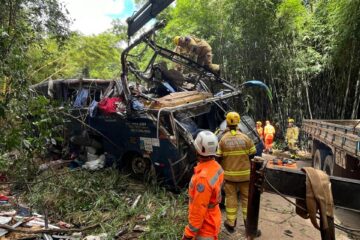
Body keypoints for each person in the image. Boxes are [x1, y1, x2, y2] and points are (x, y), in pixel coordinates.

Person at [217, 112, 258, 234]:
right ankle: (248, 225)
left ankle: (230, 224)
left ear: (227, 124)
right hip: (245, 176)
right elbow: (253, 155)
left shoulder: (223, 140)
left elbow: (218, 158)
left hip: (229, 177)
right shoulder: (246, 138)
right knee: (246, 200)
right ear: (238, 122)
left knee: (230, 199)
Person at [182, 130, 224, 240]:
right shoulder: (216, 167)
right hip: (214, 217)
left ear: (197, 150)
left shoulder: (202, 178)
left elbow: (199, 209)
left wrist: (188, 234)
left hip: (205, 228)